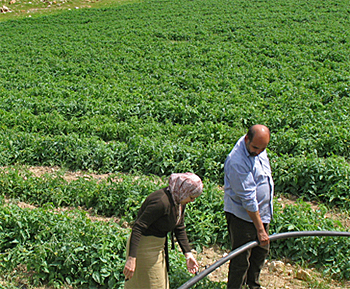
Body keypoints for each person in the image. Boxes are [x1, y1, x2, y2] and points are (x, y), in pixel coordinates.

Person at [123, 172, 203, 289]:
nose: (192, 201)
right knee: (151, 284)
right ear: (184, 191)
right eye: (191, 197)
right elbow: (138, 227)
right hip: (143, 247)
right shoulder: (161, 202)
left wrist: (188, 254)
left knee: (159, 284)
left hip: (158, 247)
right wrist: (131, 259)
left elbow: (179, 227)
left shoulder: (178, 200)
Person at [224, 124, 274, 289]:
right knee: (241, 258)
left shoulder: (257, 147)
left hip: (262, 213)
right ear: (247, 139)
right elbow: (248, 199)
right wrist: (260, 229)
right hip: (242, 216)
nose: (258, 152)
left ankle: (253, 285)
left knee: (260, 252)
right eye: (255, 148)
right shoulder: (237, 161)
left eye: (263, 148)